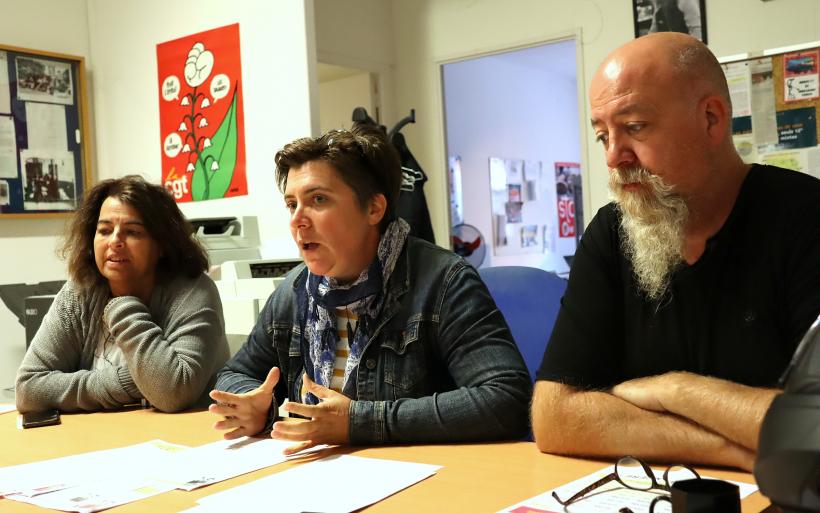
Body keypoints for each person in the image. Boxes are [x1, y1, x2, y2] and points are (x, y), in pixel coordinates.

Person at [531, 32, 820, 471]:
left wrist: (674, 391)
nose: (613, 157)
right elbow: (555, 417)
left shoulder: (806, 217)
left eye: (635, 127)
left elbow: (813, 429)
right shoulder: (610, 232)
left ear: (711, 119)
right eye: (602, 136)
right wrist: (740, 446)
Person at [209, 125, 531, 453]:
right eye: (292, 204)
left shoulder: (444, 281)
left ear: (374, 209)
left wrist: (359, 423)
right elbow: (235, 374)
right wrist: (252, 405)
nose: (297, 220)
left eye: (317, 199)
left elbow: (506, 398)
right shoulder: (295, 290)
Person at [16, 175, 230, 413]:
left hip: (184, 441)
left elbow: (173, 392)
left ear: (161, 244)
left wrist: (122, 307)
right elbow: (28, 389)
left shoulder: (194, 291)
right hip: (105, 439)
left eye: (132, 232)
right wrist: (130, 381)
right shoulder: (80, 291)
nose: (115, 241)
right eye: (105, 230)